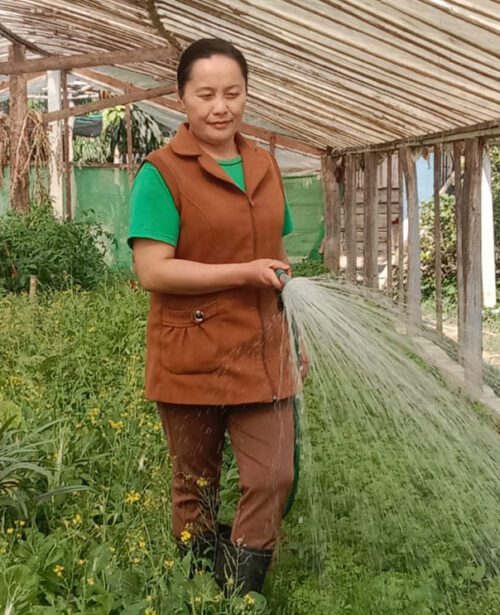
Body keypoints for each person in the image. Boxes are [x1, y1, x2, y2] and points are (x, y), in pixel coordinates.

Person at [127, 38, 303, 596]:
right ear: (182, 97)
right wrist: (243, 272)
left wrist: (294, 331)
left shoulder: (265, 166)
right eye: (206, 95)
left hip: (262, 348)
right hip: (193, 352)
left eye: (233, 92)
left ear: (247, 93)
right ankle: (200, 589)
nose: (220, 107)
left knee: (274, 474)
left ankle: (241, 591)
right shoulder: (161, 173)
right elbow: (153, 270)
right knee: (196, 482)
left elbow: (278, 254)